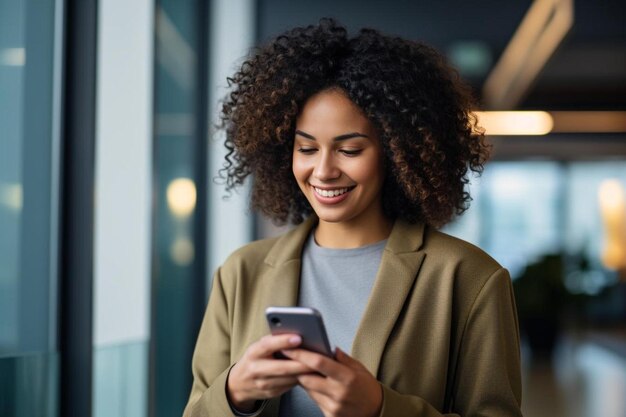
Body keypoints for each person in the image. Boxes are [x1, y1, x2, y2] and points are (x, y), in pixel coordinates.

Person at [183, 19, 522, 417]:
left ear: (398, 153)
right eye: (306, 149)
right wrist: (235, 393)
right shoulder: (241, 273)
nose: (323, 171)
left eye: (350, 150)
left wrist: (381, 408)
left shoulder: (469, 279)